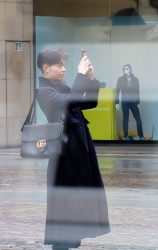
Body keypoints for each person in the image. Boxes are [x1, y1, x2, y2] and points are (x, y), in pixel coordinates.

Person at [36, 48, 110, 249]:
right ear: (46, 68)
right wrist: (79, 75)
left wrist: (91, 79)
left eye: (64, 65)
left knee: (75, 213)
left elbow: (90, 103)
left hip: (78, 155)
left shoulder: (63, 88)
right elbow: (67, 104)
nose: (63, 69)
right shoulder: (44, 92)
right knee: (64, 214)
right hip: (64, 159)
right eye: (59, 65)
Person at [115, 64, 144, 140]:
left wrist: (138, 102)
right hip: (125, 102)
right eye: (125, 69)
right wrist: (117, 102)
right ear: (123, 71)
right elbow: (117, 91)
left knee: (138, 119)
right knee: (125, 119)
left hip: (133, 101)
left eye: (128, 69)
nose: (126, 70)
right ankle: (126, 136)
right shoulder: (120, 79)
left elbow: (137, 91)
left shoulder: (135, 79)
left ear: (131, 69)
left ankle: (141, 136)